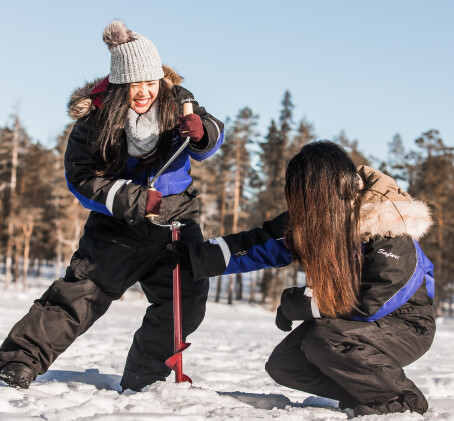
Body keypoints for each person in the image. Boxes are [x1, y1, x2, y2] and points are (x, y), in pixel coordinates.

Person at [0, 20, 224, 392]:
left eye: (150, 83)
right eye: (135, 85)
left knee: (186, 301)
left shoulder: (178, 100)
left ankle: (145, 378)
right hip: (117, 226)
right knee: (80, 294)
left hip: (176, 224)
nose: (144, 93)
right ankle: (18, 360)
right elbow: (81, 178)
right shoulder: (94, 120)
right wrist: (133, 199)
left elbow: (211, 134)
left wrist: (202, 132)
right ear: (121, 85)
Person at [165, 141, 435, 416]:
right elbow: (260, 244)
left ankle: (403, 400)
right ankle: (369, 395)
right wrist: (196, 257)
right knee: (286, 363)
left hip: (405, 323)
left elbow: (372, 301)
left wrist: (303, 304)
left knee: (325, 341)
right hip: (348, 319)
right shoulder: (320, 219)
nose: (302, 205)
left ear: (329, 189)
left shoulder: (389, 229)